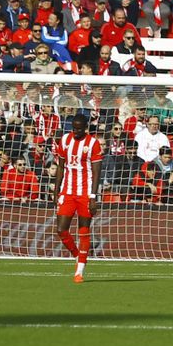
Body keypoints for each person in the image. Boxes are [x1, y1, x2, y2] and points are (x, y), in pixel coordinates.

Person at [49, 112, 102, 283]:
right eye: (74, 128)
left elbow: (96, 172)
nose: (76, 131)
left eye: (80, 129)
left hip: (85, 193)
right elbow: (61, 166)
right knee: (61, 229)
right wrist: (56, 190)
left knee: (84, 231)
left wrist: (93, 197)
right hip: (68, 191)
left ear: (85, 127)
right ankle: (78, 255)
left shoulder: (93, 143)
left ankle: (79, 271)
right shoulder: (64, 140)